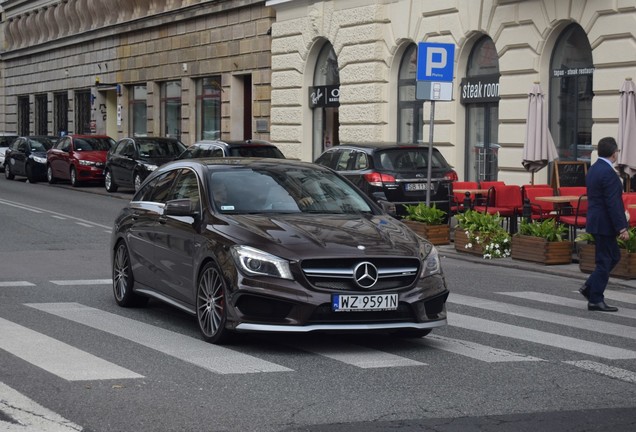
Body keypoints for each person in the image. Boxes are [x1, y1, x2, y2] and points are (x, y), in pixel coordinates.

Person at [580, 137, 629, 312]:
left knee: (612, 257)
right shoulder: (608, 173)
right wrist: (622, 227)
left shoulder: (593, 169)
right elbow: (613, 203)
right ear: (614, 153)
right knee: (606, 260)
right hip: (604, 224)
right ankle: (595, 298)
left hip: (596, 221)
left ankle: (589, 287)